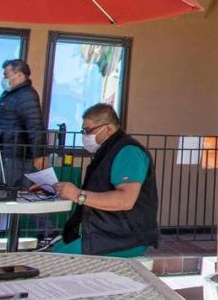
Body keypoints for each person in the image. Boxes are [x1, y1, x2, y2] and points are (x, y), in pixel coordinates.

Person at [53, 103, 159, 257]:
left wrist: (78, 195)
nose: (85, 135)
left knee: (56, 261)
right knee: (52, 253)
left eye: (88, 130)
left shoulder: (128, 152)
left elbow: (125, 200)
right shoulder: (107, 152)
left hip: (122, 237)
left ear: (108, 128)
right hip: (103, 232)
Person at [0, 59, 48, 186]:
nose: (4, 78)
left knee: (10, 192)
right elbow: (0, 121)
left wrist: (38, 156)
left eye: (6, 75)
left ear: (19, 75)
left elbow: (35, 126)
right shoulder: (10, 94)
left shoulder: (27, 95)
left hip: (16, 156)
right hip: (4, 152)